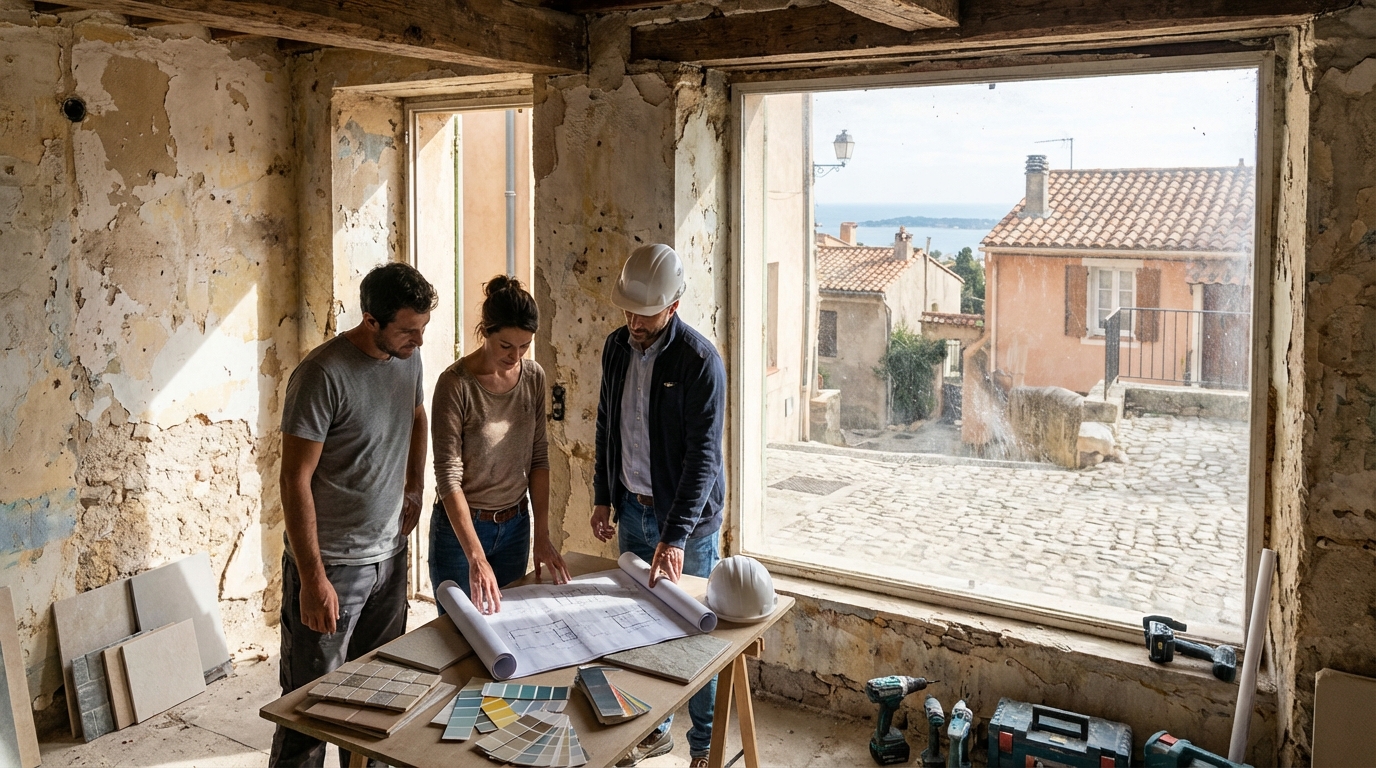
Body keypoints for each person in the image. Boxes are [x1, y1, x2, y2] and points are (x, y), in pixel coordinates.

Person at [272, 262, 437, 767]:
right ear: (371, 321)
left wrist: (414, 486)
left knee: (375, 700)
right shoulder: (321, 375)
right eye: (408, 330)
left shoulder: (407, 359)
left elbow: (417, 416)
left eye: (423, 328)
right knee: (310, 709)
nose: (419, 341)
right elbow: (294, 480)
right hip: (333, 567)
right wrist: (312, 579)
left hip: (389, 558)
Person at [590, 244, 726, 768]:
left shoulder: (699, 361)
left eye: (645, 313)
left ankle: (705, 746)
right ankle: (654, 729)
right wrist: (603, 495)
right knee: (641, 628)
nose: (634, 322)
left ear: (672, 306)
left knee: (696, 635)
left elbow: (703, 458)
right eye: (628, 310)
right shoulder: (616, 347)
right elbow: (607, 423)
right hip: (632, 508)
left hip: (685, 525)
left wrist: (675, 535)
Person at [430, 275, 570, 612]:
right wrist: (475, 556)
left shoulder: (533, 377)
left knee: (508, 625)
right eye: (506, 345)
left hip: (515, 527)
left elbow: (538, 458)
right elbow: (448, 477)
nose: (515, 355)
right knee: (458, 629)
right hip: (461, 532)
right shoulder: (455, 385)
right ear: (486, 331)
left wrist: (542, 535)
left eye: (524, 346)